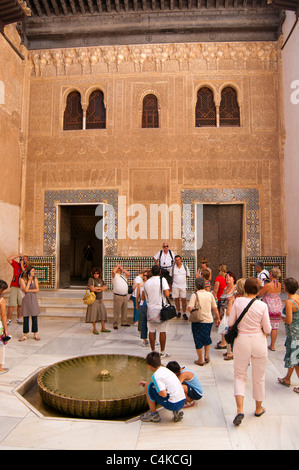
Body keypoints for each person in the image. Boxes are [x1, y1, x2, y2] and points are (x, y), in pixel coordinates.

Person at [228, 277, 272, 426]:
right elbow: (268, 329)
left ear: (244, 288)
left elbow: (230, 323)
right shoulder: (262, 306)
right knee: (259, 377)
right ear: (258, 290)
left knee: (240, 376)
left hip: (242, 342)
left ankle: (240, 409)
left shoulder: (238, 302)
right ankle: (258, 408)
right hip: (259, 342)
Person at [139, 351, 185, 422]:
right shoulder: (166, 369)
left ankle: (153, 414)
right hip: (182, 402)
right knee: (151, 385)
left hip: (173, 404)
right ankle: (176, 412)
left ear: (149, 366)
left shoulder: (156, 375)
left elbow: (163, 394)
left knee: (148, 386)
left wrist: (153, 389)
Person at [188, 277, 220, 366]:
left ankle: (200, 359)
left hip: (198, 320)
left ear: (196, 286)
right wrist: (218, 318)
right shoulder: (210, 294)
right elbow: (215, 308)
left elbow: (190, 308)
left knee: (198, 339)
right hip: (208, 320)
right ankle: (206, 355)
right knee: (207, 337)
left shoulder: (195, 295)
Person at [142, 264, 170, 357]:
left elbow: (144, 297)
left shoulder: (147, 282)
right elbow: (167, 294)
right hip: (161, 309)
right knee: (162, 331)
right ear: (160, 272)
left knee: (151, 330)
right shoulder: (163, 280)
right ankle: (162, 352)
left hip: (150, 309)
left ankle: (153, 351)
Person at [278, 277, 299, 393]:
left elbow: (289, 320)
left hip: (294, 334)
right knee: (293, 357)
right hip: (298, 331)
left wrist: (282, 317)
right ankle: (287, 379)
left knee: (295, 359)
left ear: (286, 288)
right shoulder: (297, 298)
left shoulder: (289, 302)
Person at [257, 267, 283, 351]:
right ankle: (272, 345)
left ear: (270, 275)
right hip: (277, 306)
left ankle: (263, 344)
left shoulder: (268, 285)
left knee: (265, 325)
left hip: (268, 306)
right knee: (274, 327)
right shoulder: (279, 284)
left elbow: (259, 294)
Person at [224, 278, 246, 361]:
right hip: (245, 325)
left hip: (235, 323)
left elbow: (228, 313)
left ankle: (231, 352)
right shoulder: (250, 299)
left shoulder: (234, 298)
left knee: (232, 337)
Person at [215, 271, 237, 350]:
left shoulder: (235, 288)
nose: (228, 278)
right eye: (226, 277)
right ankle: (223, 342)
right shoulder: (225, 288)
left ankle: (227, 345)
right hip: (223, 310)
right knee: (223, 326)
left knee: (228, 328)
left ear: (233, 279)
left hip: (230, 311)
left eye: (230, 277)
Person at [19, 266, 41, 341]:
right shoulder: (22, 279)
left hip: (33, 299)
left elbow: (37, 289)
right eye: (32, 271)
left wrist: (29, 290)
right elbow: (25, 289)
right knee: (26, 316)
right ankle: (25, 334)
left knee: (34, 316)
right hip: (26, 299)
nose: (33, 273)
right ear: (28, 272)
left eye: (34, 271)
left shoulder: (35, 279)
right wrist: (29, 281)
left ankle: (35, 334)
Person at [86, 268, 110, 335]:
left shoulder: (101, 280)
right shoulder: (91, 280)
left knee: (102, 314)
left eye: (97, 273)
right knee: (93, 315)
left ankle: (103, 328)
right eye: (94, 273)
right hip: (94, 300)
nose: (96, 274)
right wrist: (100, 289)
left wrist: (97, 288)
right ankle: (95, 329)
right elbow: (92, 289)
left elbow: (105, 287)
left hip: (100, 299)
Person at [6, 254, 28, 325]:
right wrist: (18, 255)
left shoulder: (28, 268)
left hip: (22, 288)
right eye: (22, 259)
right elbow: (9, 259)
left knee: (20, 304)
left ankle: (19, 318)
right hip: (14, 286)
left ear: (27, 261)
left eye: (25, 259)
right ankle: (8, 319)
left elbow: (25, 274)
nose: (23, 260)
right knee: (12, 304)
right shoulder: (16, 265)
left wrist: (22, 266)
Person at [169, 255, 190, 320]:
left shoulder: (185, 267)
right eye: (176, 260)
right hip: (175, 286)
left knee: (184, 300)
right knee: (176, 300)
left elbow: (187, 276)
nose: (177, 261)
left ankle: (184, 313)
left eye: (178, 260)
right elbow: (171, 276)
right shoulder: (172, 268)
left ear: (180, 260)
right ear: (175, 261)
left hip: (183, 286)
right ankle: (178, 312)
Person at [111, 264, 131, 329]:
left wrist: (122, 269)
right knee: (116, 310)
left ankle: (123, 322)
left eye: (119, 268)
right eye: (118, 268)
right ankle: (115, 323)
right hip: (118, 296)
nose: (119, 269)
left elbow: (128, 274)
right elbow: (113, 272)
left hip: (125, 296)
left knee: (124, 310)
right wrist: (117, 267)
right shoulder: (114, 276)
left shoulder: (123, 276)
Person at [136, 270, 152, 347]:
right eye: (144, 275)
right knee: (143, 323)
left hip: (151, 305)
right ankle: (144, 339)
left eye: (146, 275)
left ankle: (154, 340)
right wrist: (136, 304)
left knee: (152, 323)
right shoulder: (141, 284)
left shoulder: (151, 283)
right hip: (143, 304)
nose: (145, 277)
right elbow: (138, 295)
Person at [0, 280, 9, 374]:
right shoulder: (2, 301)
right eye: (4, 290)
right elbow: (3, 315)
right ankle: (0, 368)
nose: (5, 291)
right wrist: (6, 329)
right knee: (1, 347)